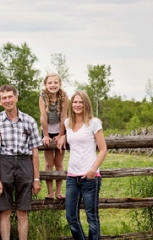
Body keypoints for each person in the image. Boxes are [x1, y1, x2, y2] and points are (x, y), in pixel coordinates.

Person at [0, 85, 42, 240]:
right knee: (5, 210)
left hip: (25, 163)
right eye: (4, 98)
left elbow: (35, 151)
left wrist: (36, 178)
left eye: (10, 96)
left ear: (16, 98)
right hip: (4, 163)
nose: (8, 100)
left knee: (22, 211)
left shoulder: (29, 121)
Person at [58, 91, 107, 240]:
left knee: (92, 217)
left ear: (86, 104)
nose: (77, 105)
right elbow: (73, 136)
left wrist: (92, 170)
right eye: (75, 102)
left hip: (90, 177)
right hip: (72, 176)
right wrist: (63, 137)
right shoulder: (68, 123)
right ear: (71, 104)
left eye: (81, 102)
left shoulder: (94, 123)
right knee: (71, 217)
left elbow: (103, 149)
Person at [39, 73, 69, 200]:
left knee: (59, 163)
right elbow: (43, 117)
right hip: (47, 130)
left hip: (60, 130)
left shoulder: (64, 96)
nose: (53, 85)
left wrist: (61, 135)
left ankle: (58, 192)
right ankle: (50, 193)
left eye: (55, 83)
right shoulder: (43, 96)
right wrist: (46, 135)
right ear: (45, 85)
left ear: (60, 84)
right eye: (50, 83)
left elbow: (63, 116)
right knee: (49, 163)